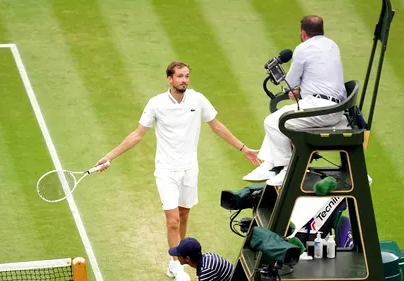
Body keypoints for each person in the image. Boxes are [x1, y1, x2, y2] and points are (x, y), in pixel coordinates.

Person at [94, 61, 260, 280]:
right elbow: (137, 135)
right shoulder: (156, 104)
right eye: (180, 76)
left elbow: (217, 126)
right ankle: (177, 266)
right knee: (172, 220)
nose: (184, 80)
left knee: (183, 215)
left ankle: (177, 259)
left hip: (190, 170)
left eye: (187, 76)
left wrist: (243, 148)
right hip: (166, 171)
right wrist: (109, 157)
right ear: (169, 79)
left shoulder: (198, 99)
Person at [243, 15, 347, 186]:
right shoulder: (332, 45)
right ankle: (269, 163)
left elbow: (290, 82)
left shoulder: (303, 48)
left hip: (322, 110)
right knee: (280, 115)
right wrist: (303, 91)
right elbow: (321, 76)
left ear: (303, 33)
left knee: (274, 122)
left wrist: (295, 90)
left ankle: (286, 169)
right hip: (334, 107)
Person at [169, 237, 234, 281]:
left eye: (179, 255)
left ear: (187, 258)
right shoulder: (208, 256)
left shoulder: (206, 272)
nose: (177, 257)